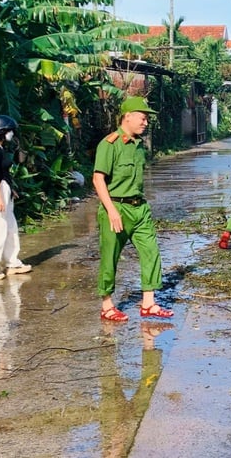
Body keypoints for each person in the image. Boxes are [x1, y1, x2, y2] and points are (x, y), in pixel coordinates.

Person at [93, 96, 173, 322]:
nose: (145, 123)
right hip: (116, 208)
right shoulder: (109, 144)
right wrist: (111, 211)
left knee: (151, 252)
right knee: (110, 257)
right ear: (127, 116)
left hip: (140, 208)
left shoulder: (139, 146)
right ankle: (107, 305)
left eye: (147, 119)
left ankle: (149, 303)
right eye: (143, 118)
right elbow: (98, 179)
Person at [0, 115, 32, 281]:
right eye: (9, 131)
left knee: (10, 229)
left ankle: (12, 263)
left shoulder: (0, 148)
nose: (11, 134)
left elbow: (3, 173)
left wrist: (10, 190)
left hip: (3, 189)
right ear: (2, 132)